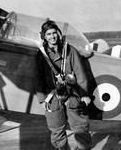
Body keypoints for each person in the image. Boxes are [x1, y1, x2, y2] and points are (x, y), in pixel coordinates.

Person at [35, 20, 91, 150]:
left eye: (54, 33)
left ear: (58, 34)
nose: (52, 36)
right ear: (44, 36)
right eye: (48, 34)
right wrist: (42, 99)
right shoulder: (41, 55)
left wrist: (84, 95)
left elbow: (80, 73)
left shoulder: (70, 50)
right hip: (52, 96)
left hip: (73, 93)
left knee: (80, 127)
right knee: (56, 129)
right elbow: (38, 79)